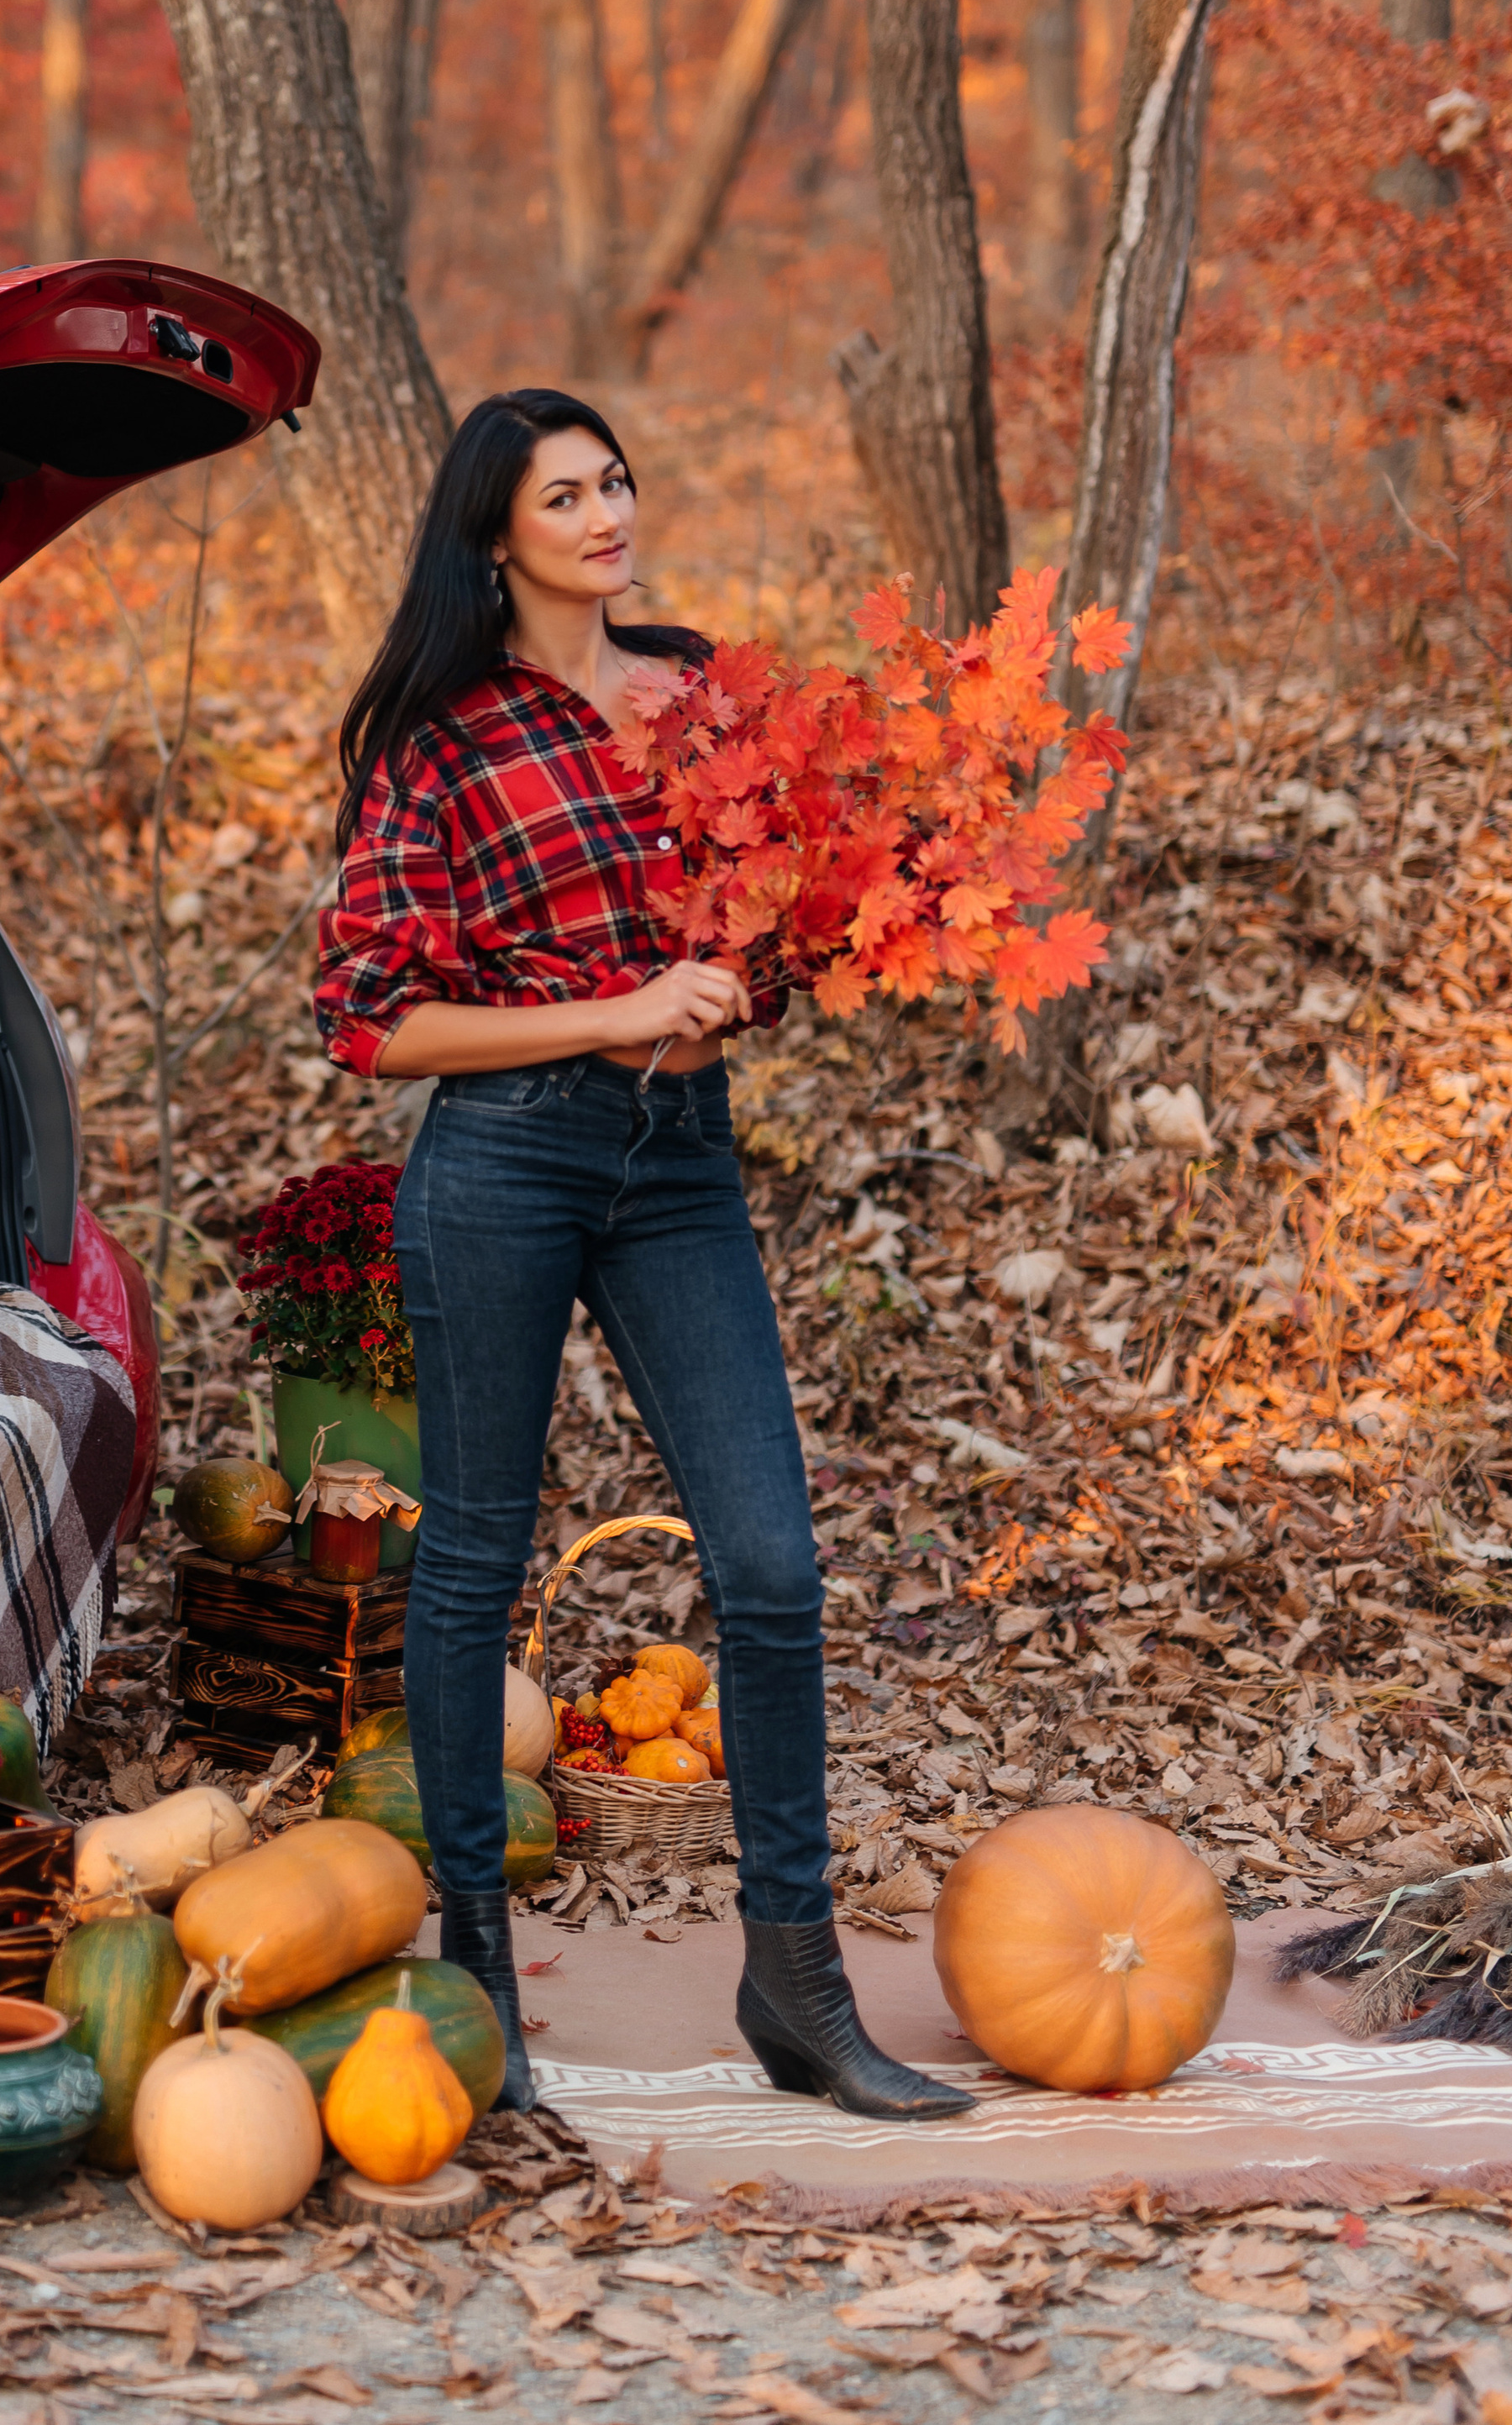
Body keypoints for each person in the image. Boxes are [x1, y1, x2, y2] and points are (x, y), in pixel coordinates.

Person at [312, 388, 965, 2124]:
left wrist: (821, 928)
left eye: (614, 483)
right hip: (504, 1170)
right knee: (468, 1565)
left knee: (766, 1564)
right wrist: (609, 1014)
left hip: (679, 1165)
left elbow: (791, 905)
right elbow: (367, 1021)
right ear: (494, 534)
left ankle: (795, 1984)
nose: (606, 516)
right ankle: (473, 1984)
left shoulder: (702, 691)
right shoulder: (438, 741)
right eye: (563, 496)